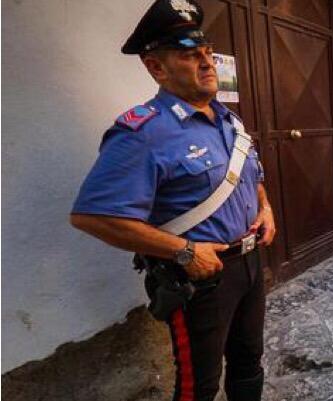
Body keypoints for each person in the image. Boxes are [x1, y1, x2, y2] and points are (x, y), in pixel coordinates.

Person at [68, 1, 274, 400]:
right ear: (156, 68)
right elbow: (92, 217)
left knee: (250, 360)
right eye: (189, 55)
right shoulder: (143, 132)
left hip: (248, 263)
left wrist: (265, 209)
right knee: (201, 383)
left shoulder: (229, 122)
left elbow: (253, 178)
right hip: (199, 278)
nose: (206, 62)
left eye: (206, 53)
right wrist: (184, 252)